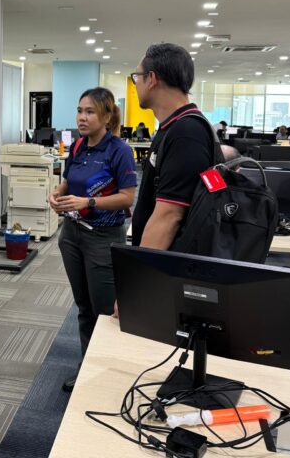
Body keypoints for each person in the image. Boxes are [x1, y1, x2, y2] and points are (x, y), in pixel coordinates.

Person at [49, 87, 137, 392]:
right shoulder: (78, 147)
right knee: (83, 307)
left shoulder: (119, 151)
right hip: (72, 235)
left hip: (103, 236)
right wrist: (58, 194)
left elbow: (127, 197)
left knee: (104, 311)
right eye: (79, 110)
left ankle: (110, 374)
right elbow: (67, 180)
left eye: (89, 112)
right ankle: (87, 366)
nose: (81, 117)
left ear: (107, 116)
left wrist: (89, 203)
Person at [129, 43, 216, 250]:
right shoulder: (173, 127)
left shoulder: (187, 132)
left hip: (169, 268)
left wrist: (142, 274)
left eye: (137, 77)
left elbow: (169, 217)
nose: (136, 84)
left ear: (151, 79)